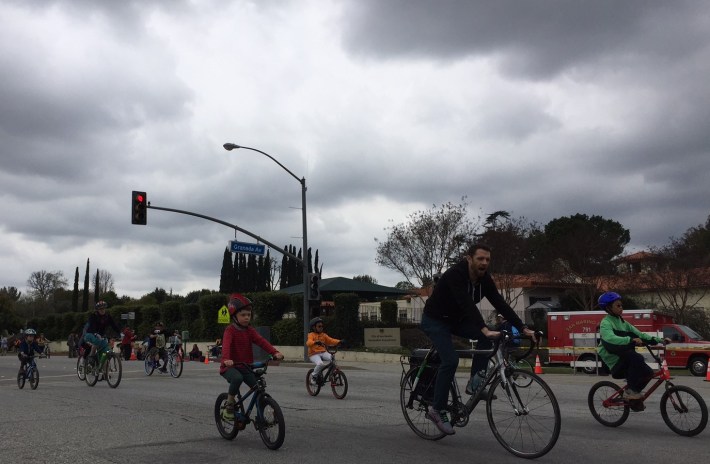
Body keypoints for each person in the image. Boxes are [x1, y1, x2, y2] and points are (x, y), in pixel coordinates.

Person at [421, 243, 537, 435]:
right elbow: (466, 303)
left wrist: (523, 328)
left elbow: (500, 303)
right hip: (435, 320)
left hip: (456, 320)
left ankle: (474, 381)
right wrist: (483, 328)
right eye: (480, 259)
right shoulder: (455, 275)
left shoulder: (484, 279)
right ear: (469, 259)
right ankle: (436, 409)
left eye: (487, 260)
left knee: (490, 338)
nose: (484, 263)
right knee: (450, 360)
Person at [597, 292, 670, 411]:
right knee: (636, 357)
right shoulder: (606, 323)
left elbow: (640, 335)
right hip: (614, 363)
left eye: (621, 305)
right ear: (608, 308)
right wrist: (630, 340)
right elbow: (610, 338)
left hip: (625, 358)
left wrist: (660, 340)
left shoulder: (623, 323)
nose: (621, 308)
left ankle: (632, 396)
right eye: (618, 306)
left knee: (648, 373)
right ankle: (631, 391)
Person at [219, 293, 283, 421]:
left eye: (248, 315)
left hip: (245, 366)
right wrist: (226, 359)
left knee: (258, 389)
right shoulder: (230, 330)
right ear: (234, 316)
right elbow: (226, 346)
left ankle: (261, 417)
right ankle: (229, 406)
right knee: (237, 378)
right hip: (229, 367)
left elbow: (261, 341)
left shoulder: (250, 330)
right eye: (243, 315)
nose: (247, 317)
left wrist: (275, 352)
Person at [306, 317, 341, 385]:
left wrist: (339, 341)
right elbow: (308, 342)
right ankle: (313, 377)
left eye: (322, 326)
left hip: (323, 352)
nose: (321, 327)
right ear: (314, 327)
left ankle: (333, 374)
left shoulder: (323, 335)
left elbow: (331, 340)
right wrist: (315, 342)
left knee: (332, 357)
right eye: (319, 326)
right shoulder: (311, 335)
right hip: (313, 354)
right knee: (320, 364)